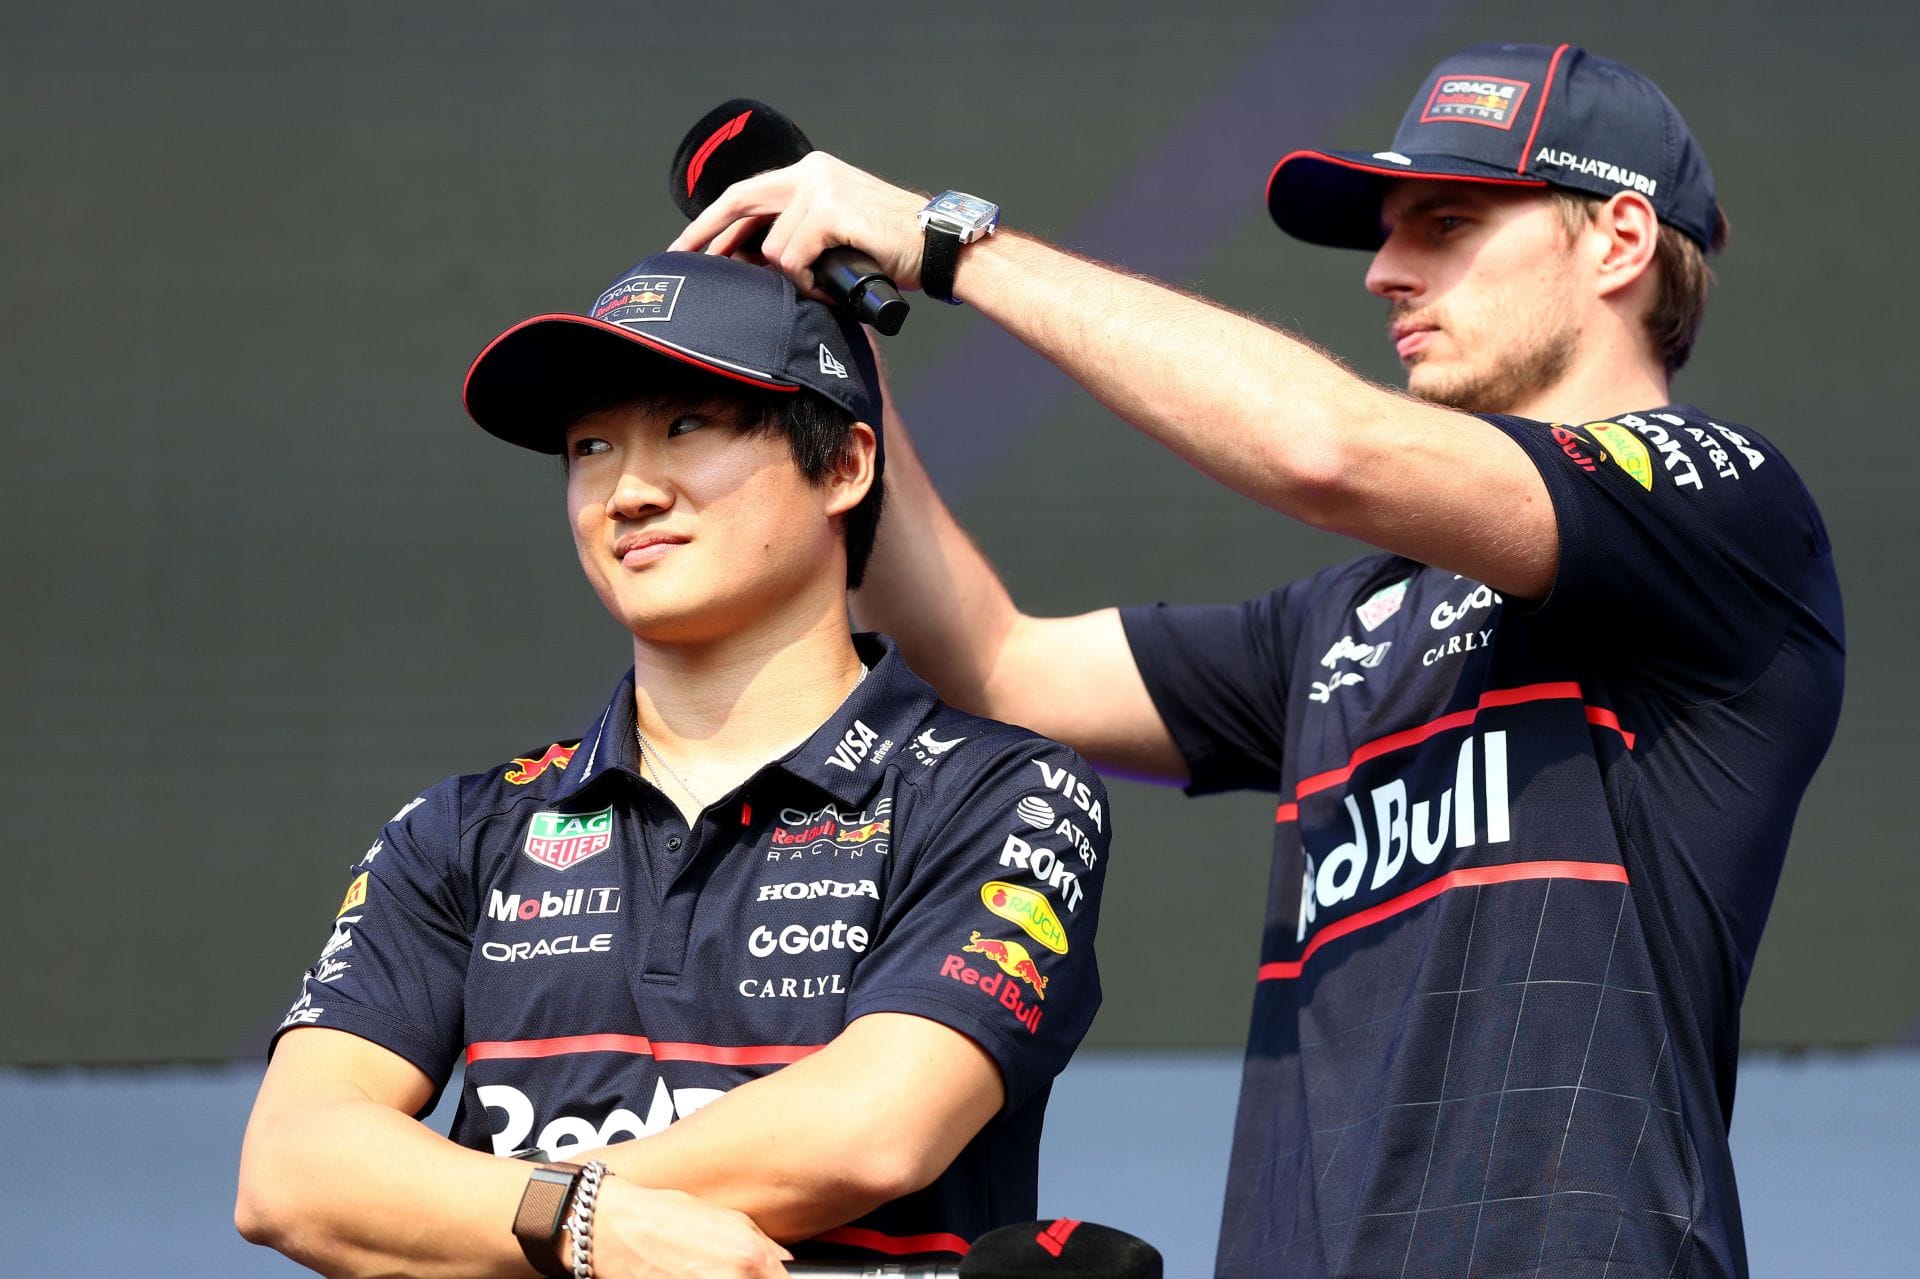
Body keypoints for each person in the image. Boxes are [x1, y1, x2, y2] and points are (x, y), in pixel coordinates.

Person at [672, 41, 1844, 1278]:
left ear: (1619, 240)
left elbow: (1325, 451)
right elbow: (996, 663)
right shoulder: (1348, 617)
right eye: (1390, 234)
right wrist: (842, 354)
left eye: (1447, 223)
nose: (1388, 272)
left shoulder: (1728, 504)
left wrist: (949, 242)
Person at [235, 250, 1112, 1278]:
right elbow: (289, 1171)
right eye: (591, 446)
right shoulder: (462, 829)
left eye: (687, 426)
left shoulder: (996, 790)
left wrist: (500, 1210)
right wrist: (579, 1224)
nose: (629, 491)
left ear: (845, 465)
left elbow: (874, 1127)